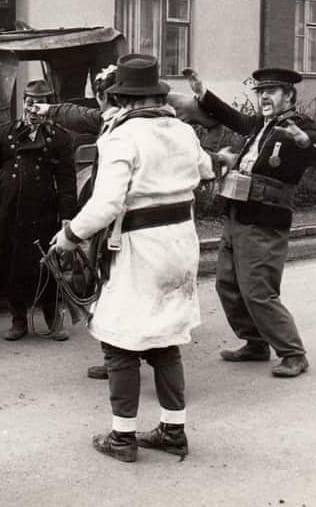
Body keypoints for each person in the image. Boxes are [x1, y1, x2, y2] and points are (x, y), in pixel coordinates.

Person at [51, 54, 215, 462]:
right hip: (181, 243)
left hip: (141, 248)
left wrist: (69, 236)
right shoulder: (183, 131)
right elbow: (207, 171)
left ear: (121, 98)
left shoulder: (122, 137)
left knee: (118, 339)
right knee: (166, 336)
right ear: (157, 95)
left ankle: (122, 438)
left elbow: (106, 204)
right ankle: (173, 431)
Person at [187, 67, 316, 377]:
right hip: (237, 213)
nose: (264, 97)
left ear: (288, 95)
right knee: (227, 284)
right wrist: (202, 93)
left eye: (271, 91)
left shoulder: (300, 126)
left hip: (266, 219)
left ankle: (293, 353)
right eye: (261, 91)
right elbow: (230, 116)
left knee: (258, 290)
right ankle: (255, 343)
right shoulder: (258, 126)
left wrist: (304, 140)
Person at [0, 79, 77, 341]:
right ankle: (18, 319)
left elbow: (67, 180)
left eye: (40, 104)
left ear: (49, 106)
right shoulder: (6, 133)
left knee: (47, 262)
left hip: (43, 210)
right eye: (30, 102)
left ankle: (52, 317)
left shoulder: (60, 138)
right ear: (23, 102)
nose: (34, 109)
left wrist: (67, 217)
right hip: (8, 208)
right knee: (12, 262)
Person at [40, 64, 121, 378]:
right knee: (111, 287)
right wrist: (51, 109)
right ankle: (124, 358)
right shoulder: (123, 120)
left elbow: (108, 199)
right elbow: (81, 115)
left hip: (123, 224)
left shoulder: (123, 128)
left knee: (113, 289)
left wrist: (73, 233)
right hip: (123, 224)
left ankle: (122, 361)